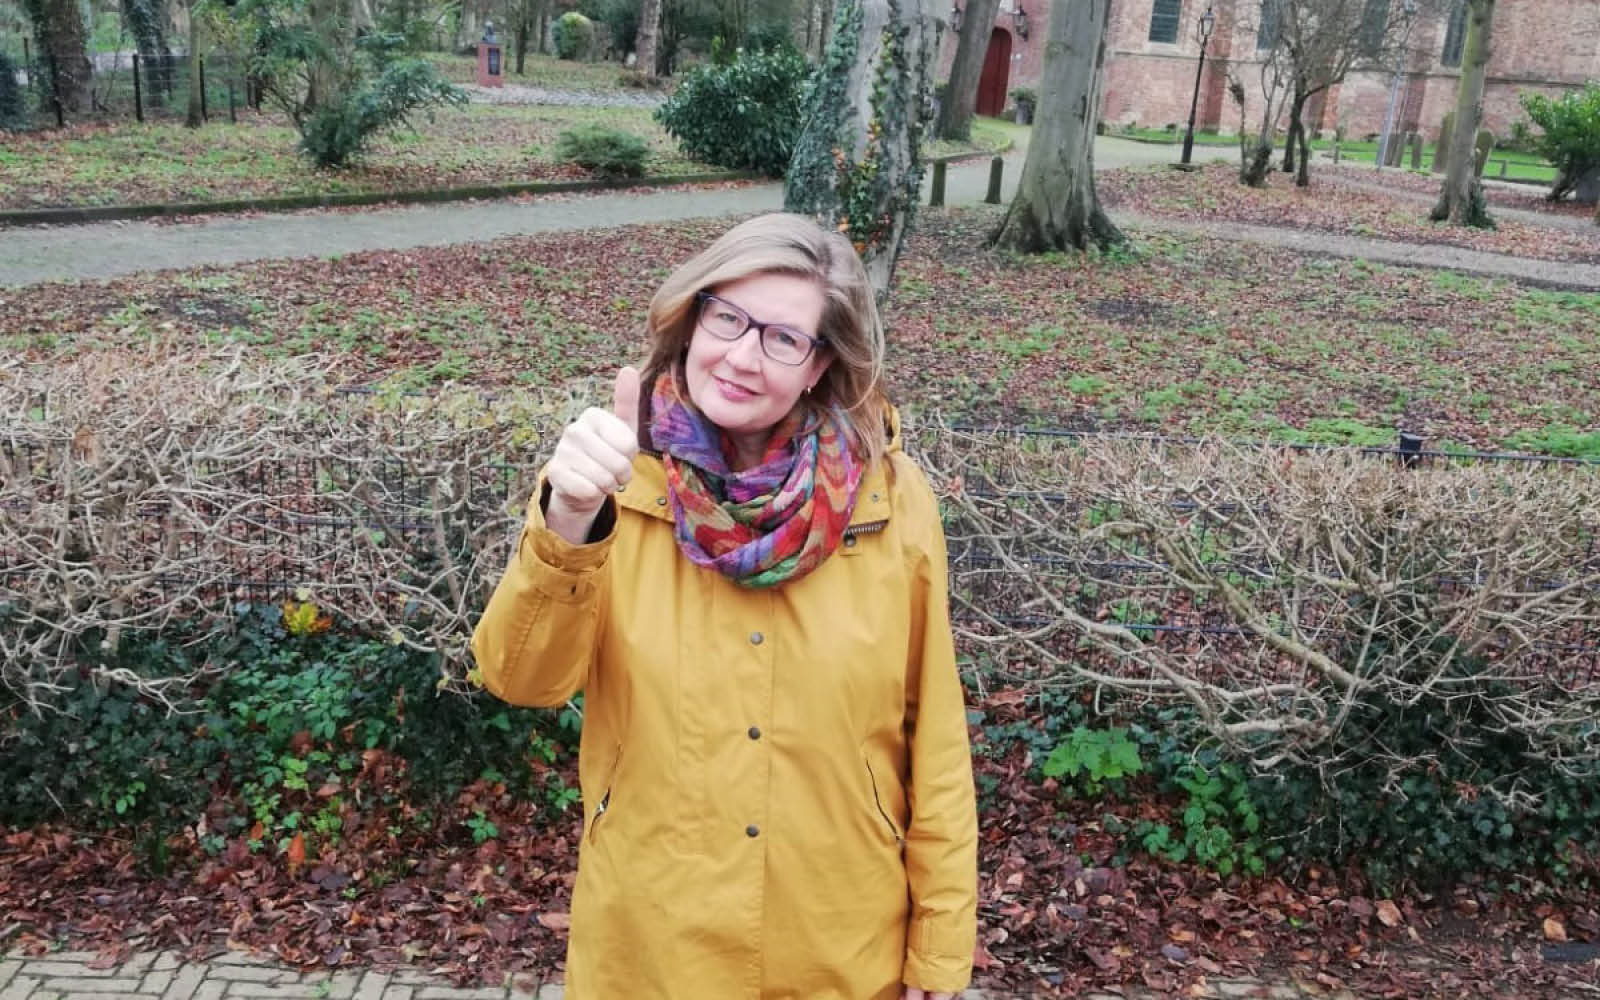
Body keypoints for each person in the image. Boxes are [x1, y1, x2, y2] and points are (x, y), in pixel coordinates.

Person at [471, 212, 978, 1000]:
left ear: (819, 364)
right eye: (728, 318)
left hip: (839, 950)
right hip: (651, 948)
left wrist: (940, 951)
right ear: (693, 316)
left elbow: (935, 739)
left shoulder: (890, 497)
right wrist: (569, 520)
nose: (742, 357)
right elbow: (520, 678)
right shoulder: (609, 480)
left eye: (783, 338)